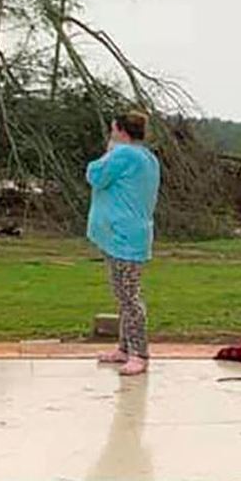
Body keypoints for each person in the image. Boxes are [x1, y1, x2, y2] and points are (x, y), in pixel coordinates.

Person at [86, 111, 161, 376]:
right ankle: (124, 348)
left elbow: (95, 175)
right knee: (122, 294)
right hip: (129, 234)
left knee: (129, 296)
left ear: (120, 130)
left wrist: (108, 152)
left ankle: (139, 353)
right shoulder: (148, 157)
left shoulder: (123, 155)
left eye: (112, 129)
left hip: (124, 236)